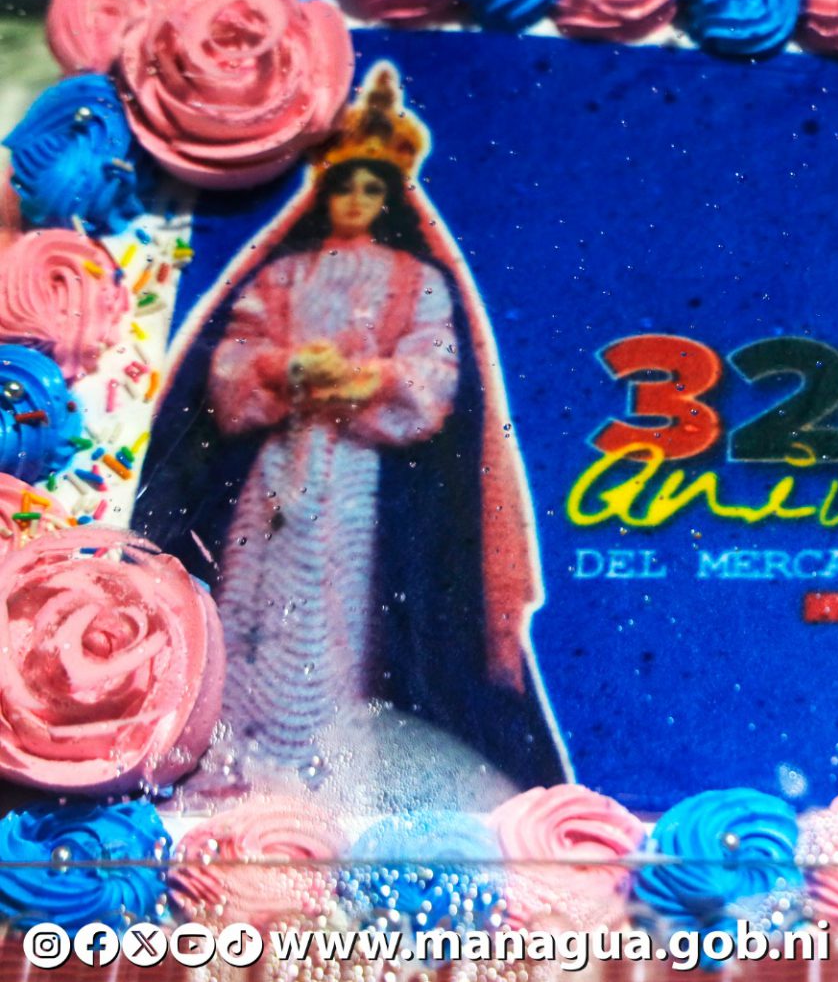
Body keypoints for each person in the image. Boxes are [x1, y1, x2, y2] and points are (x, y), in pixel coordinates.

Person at [135, 67, 569, 809]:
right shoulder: (283, 276)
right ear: (327, 192)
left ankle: (322, 774)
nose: (357, 200)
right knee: (250, 601)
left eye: (372, 189)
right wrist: (286, 368)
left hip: (359, 473)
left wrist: (364, 378)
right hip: (278, 463)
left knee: (340, 612)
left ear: (388, 197)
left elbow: (432, 374)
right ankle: (230, 765)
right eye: (346, 187)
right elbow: (235, 357)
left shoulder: (414, 280)